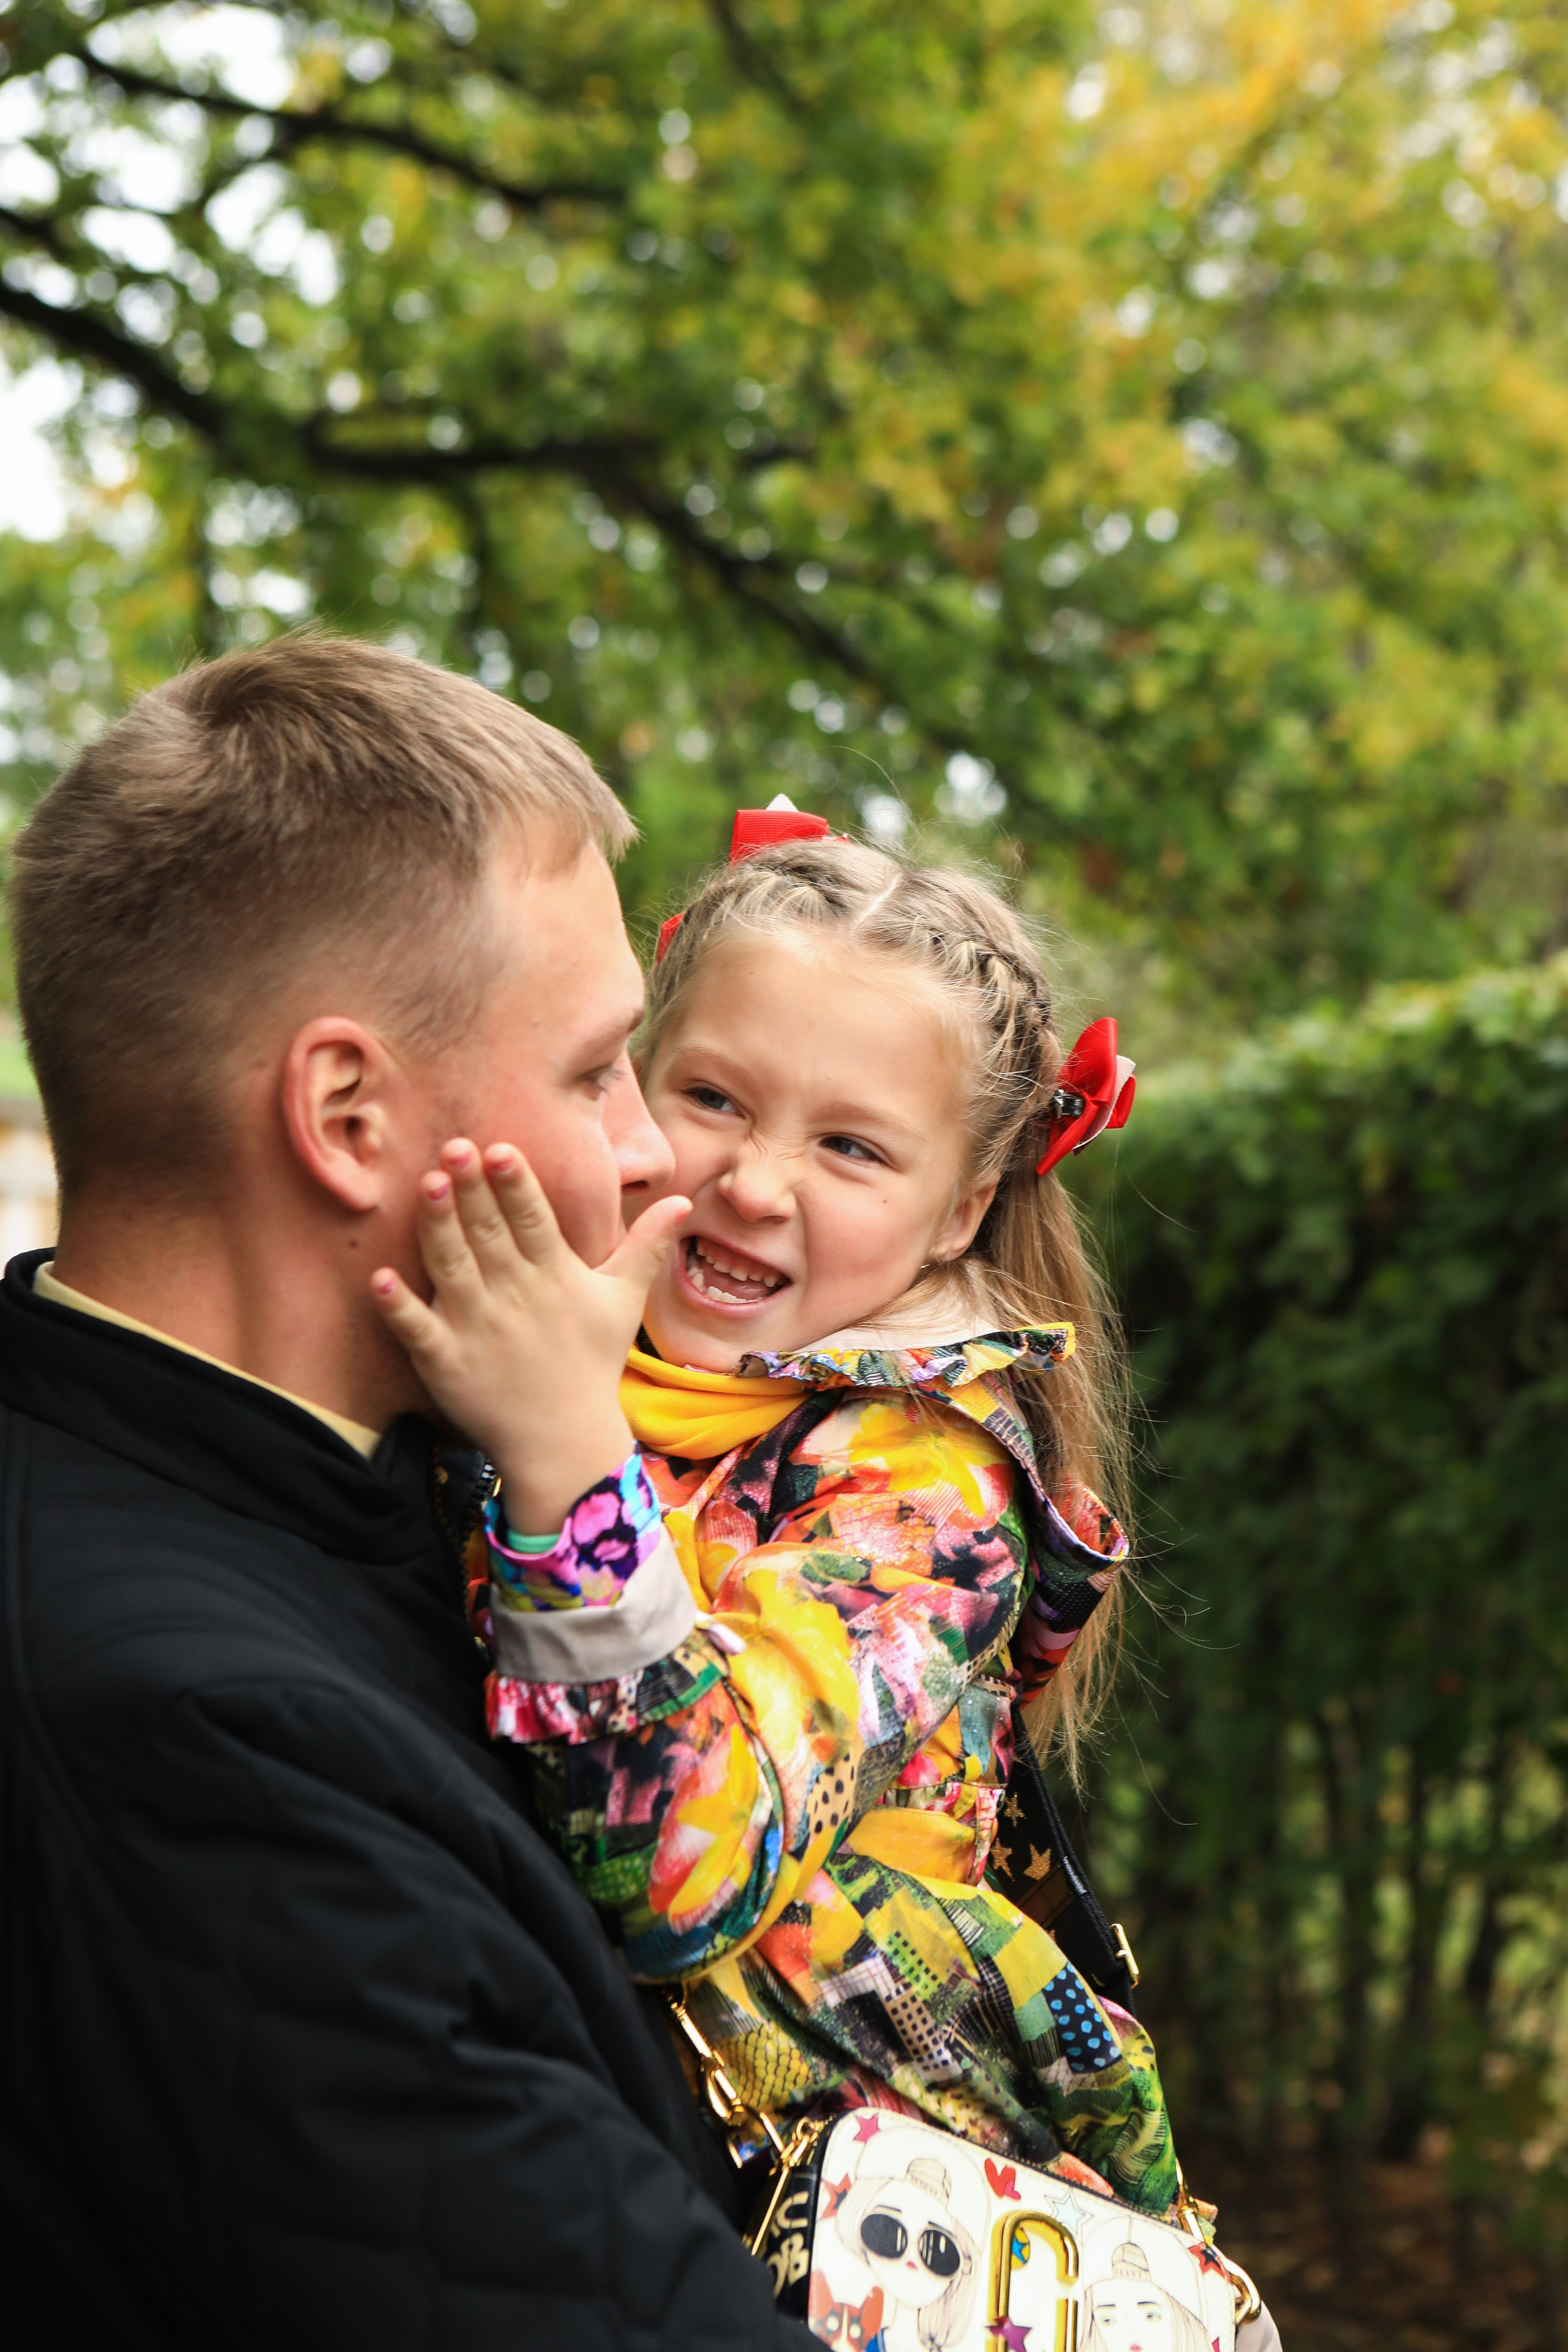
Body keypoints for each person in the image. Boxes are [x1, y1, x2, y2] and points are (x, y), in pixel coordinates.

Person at [0, 636, 818, 2350]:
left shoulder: (412, 1478)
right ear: (350, 1116)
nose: (658, 1150)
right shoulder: (199, 1750)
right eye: (603, 1068)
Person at [372, 824, 1179, 2215]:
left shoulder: (932, 1490)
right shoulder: (556, 1336)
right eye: (715, 1099)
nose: (754, 1183)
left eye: (852, 1147)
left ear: (959, 1211)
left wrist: (562, 1458)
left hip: (814, 2209)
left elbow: (685, 1870)